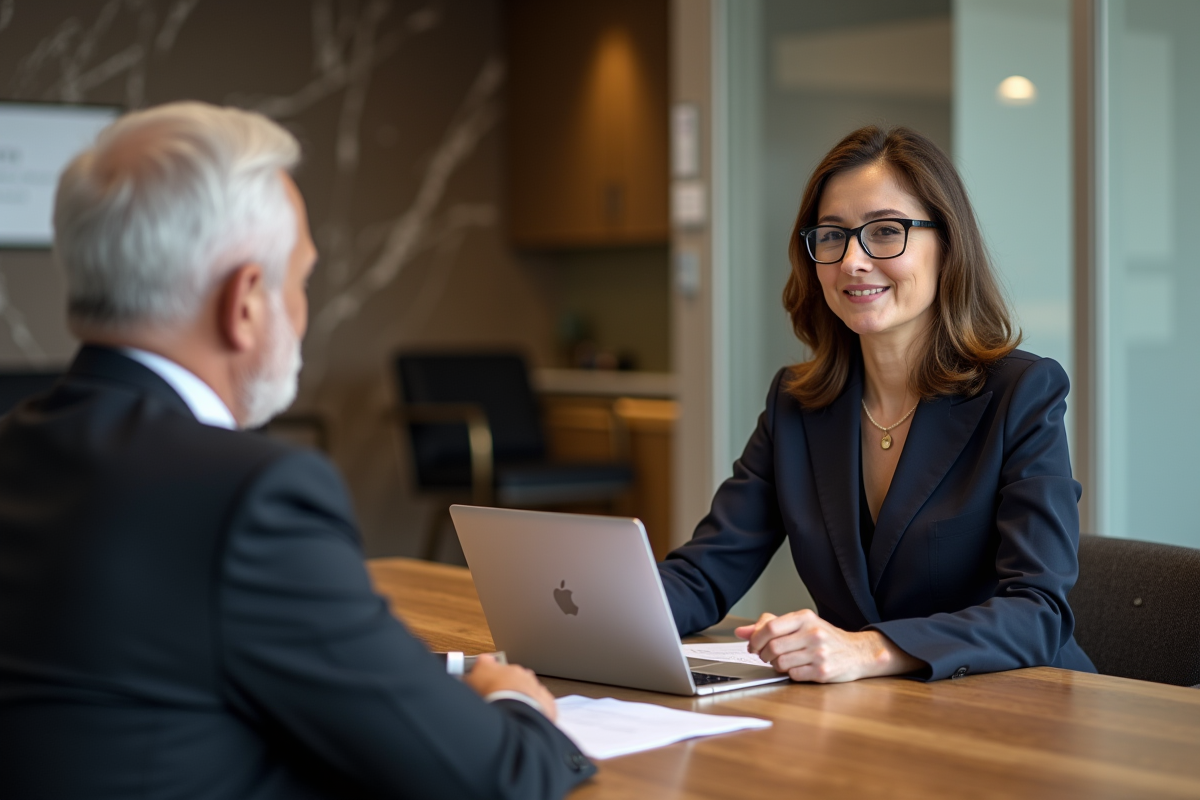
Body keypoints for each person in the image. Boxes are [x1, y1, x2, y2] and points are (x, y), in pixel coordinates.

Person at [0, 102, 594, 799]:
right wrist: (513, 700)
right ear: (247, 302)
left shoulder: (17, 446)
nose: (302, 311)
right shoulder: (247, 496)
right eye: (302, 281)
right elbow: (497, 778)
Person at [658, 125, 1096, 683]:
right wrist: (596, 616)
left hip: (1015, 713)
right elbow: (704, 574)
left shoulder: (1021, 394)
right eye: (832, 236)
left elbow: (1038, 612)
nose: (853, 262)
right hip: (868, 718)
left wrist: (869, 650)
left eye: (886, 231)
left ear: (947, 245)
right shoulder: (798, 404)